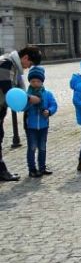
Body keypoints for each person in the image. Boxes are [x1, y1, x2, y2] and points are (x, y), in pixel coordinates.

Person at [0, 45, 41, 181]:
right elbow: (8, 90)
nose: (29, 67)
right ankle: (1, 171)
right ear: (25, 57)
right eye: (30, 64)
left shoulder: (13, 65)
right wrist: (29, 98)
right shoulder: (6, 64)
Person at [23, 66, 56, 178]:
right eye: (33, 81)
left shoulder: (47, 94)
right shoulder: (27, 95)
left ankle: (42, 167)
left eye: (38, 81)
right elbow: (23, 107)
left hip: (43, 125)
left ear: (42, 81)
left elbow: (53, 105)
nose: (35, 83)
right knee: (32, 147)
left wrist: (49, 111)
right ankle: (32, 169)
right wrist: (30, 101)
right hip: (31, 126)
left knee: (42, 147)